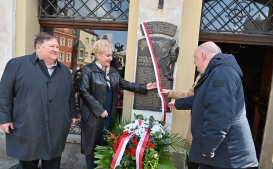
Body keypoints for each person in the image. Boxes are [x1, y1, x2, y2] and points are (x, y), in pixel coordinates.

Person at [168, 41, 258, 169]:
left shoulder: (222, 73)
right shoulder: (216, 72)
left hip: (228, 158)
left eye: (195, 57)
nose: (194, 62)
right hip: (220, 157)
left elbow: (220, 114)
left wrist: (208, 147)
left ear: (203, 55)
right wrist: (178, 103)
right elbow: (202, 99)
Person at [0, 32, 78, 169]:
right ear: (38, 47)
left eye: (57, 46)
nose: (56, 49)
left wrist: (72, 114)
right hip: (28, 124)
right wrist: (5, 118)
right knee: (28, 162)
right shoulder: (16, 65)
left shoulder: (65, 71)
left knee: (53, 162)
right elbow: (4, 93)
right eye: (51, 46)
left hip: (56, 126)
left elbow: (70, 95)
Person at [79, 39, 157, 169]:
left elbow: (125, 84)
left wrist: (144, 87)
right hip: (94, 117)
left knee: (106, 146)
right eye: (108, 55)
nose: (111, 58)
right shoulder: (88, 70)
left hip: (109, 116)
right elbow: (84, 91)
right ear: (98, 55)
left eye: (111, 55)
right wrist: (99, 109)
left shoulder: (113, 72)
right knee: (92, 148)